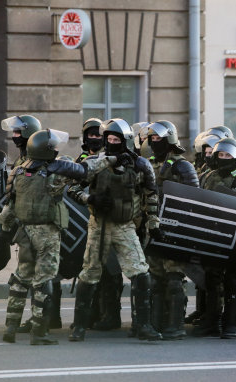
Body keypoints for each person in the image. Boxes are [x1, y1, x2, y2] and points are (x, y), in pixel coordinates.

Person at [67, 118, 162, 342]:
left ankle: (143, 325)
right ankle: (79, 326)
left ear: (126, 141)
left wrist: (153, 223)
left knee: (140, 272)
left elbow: (151, 194)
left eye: (116, 139)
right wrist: (91, 198)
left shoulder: (140, 165)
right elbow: (72, 188)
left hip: (125, 226)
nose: (111, 143)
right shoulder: (95, 162)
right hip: (98, 226)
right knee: (90, 274)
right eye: (108, 139)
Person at [0, 128, 94, 345]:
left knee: (21, 279)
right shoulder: (56, 173)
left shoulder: (19, 172)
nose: (58, 150)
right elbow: (84, 171)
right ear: (48, 150)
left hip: (24, 232)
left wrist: (4, 232)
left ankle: (10, 328)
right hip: (47, 234)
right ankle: (39, 332)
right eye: (55, 148)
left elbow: (10, 205)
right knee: (44, 281)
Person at [196, 137, 236, 339]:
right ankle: (212, 322)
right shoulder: (209, 176)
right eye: (220, 155)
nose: (224, 158)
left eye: (228, 155)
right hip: (213, 233)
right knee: (212, 279)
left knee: (233, 280)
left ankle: (233, 324)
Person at [146, 120, 199, 340]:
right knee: (155, 276)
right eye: (152, 139)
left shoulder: (182, 166)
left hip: (175, 228)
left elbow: (195, 199)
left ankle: (175, 324)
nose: (154, 142)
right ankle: (156, 322)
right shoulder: (147, 163)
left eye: (159, 139)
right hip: (153, 226)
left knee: (174, 276)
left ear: (169, 140)